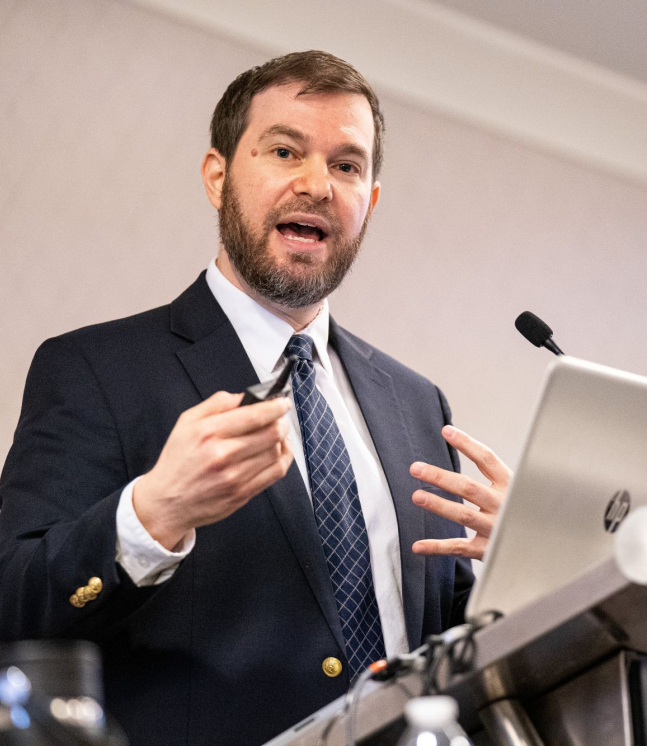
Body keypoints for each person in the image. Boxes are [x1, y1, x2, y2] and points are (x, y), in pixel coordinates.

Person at [0, 51, 510, 746]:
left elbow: (447, 640)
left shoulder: (417, 403)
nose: (316, 184)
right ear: (218, 177)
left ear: (369, 202)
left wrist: (518, 566)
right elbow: (14, 610)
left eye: (346, 166)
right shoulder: (94, 369)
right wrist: (151, 517)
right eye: (284, 151)